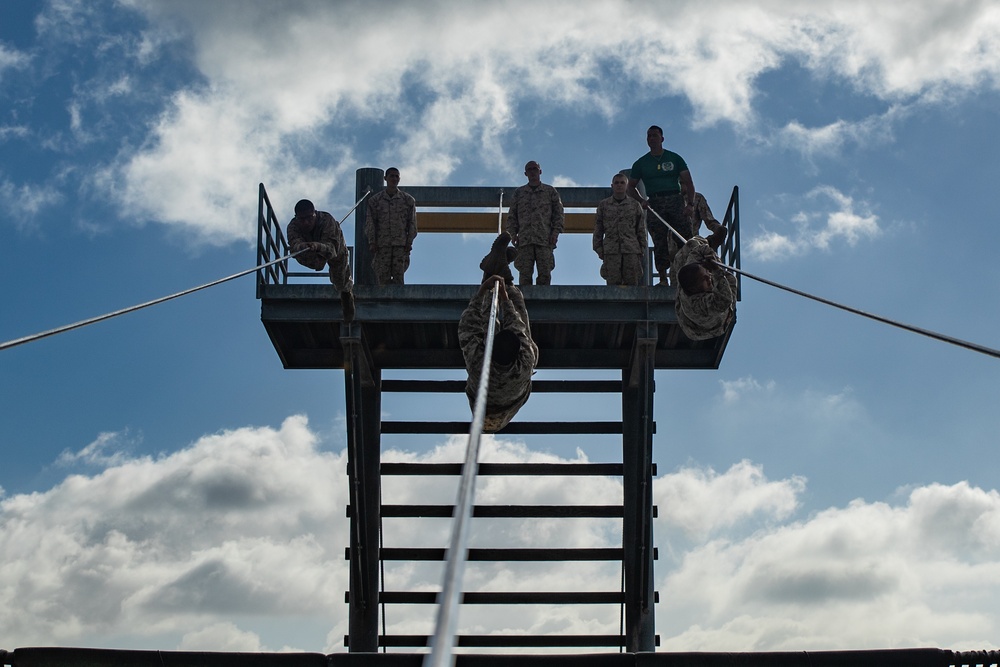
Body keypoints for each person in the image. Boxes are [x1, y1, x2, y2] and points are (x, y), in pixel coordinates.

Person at [459, 234, 538, 433]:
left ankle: (497, 276)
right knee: (522, 338)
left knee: (488, 329)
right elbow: (468, 326)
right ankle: (500, 275)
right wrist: (487, 292)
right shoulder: (524, 361)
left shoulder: (481, 364)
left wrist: (490, 292)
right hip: (507, 403)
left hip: (486, 412)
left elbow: (469, 328)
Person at [627, 125, 696, 285]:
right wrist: (641, 201)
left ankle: (690, 274)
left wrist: (690, 204)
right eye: (649, 136)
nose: (651, 139)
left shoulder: (674, 158)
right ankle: (663, 277)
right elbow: (630, 186)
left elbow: (689, 182)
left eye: (655, 136)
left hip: (675, 199)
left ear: (662, 139)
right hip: (655, 203)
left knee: (685, 238)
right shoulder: (641, 163)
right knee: (659, 240)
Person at [286, 198, 355, 322]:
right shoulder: (293, 226)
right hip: (309, 250)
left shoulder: (327, 220)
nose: (306, 222)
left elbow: (331, 249)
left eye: (309, 218)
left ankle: (346, 294)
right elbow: (294, 243)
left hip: (333, 247)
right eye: (302, 219)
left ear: (315, 214)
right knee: (304, 256)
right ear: (297, 218)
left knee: (340, 277)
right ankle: (317, 262)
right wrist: (301, 246)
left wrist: (318, 246)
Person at [505, 160, 565, 285]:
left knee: (545, 274)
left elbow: (558, 214)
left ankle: (543, 303)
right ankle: (524, 302)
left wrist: (555, 232)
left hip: (544, 239)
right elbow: (512, 216)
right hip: (525, 240)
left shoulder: (550, 191)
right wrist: (512, 234)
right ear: (525, 173)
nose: (532, 172)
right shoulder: (519, 193)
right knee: (524, 275)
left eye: (535, 169)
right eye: (529, 170)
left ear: (540, 171)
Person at [673, 236, 737, 340]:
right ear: (695, 289)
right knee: (730, 279)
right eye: (705, 279)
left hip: (696, 291)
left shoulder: (692, 269)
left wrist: (710, 257)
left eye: (707, 273)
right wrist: (716, 270)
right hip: (706, 329)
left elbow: (698, 250)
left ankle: (708, 245)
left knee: (692, 243)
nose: (709, 277)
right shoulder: (697, 305)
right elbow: (725, 300)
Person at [365, 167, 418, 285]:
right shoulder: (375, 201)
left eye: (396, 176)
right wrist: (372, 242)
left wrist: (409, 242)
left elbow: (412, 223)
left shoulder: (408, 200)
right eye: (391, 176)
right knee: (382, 278)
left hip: (400, 245)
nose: (394, 179)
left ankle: (399, 302)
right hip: (382, 245)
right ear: (385, 178)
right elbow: (370, 223)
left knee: (399, 278)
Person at [593, 173, 646, 286]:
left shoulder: (635, 205)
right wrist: (598, 248)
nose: (619, 185)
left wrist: (642, 248)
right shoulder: (604, 205)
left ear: (626, 186)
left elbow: (640, 229)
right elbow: (598, 229)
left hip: (631, 250)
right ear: (612, 186)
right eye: (616, 183)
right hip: (611, 251)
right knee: (613, 286)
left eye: (622, 183)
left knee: (632, 284)